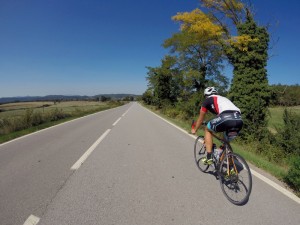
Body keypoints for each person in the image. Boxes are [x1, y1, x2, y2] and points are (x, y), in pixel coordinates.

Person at [191, 87, 243, 165]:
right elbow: (219, 115)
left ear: (206, 95)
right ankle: (230, 168)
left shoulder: (207, 100)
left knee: (207, 129)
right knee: (226, 144)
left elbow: (201, 118)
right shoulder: (223, 99)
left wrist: (195, 129)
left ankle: (209, 158)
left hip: (226, 117)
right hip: (239, 119)